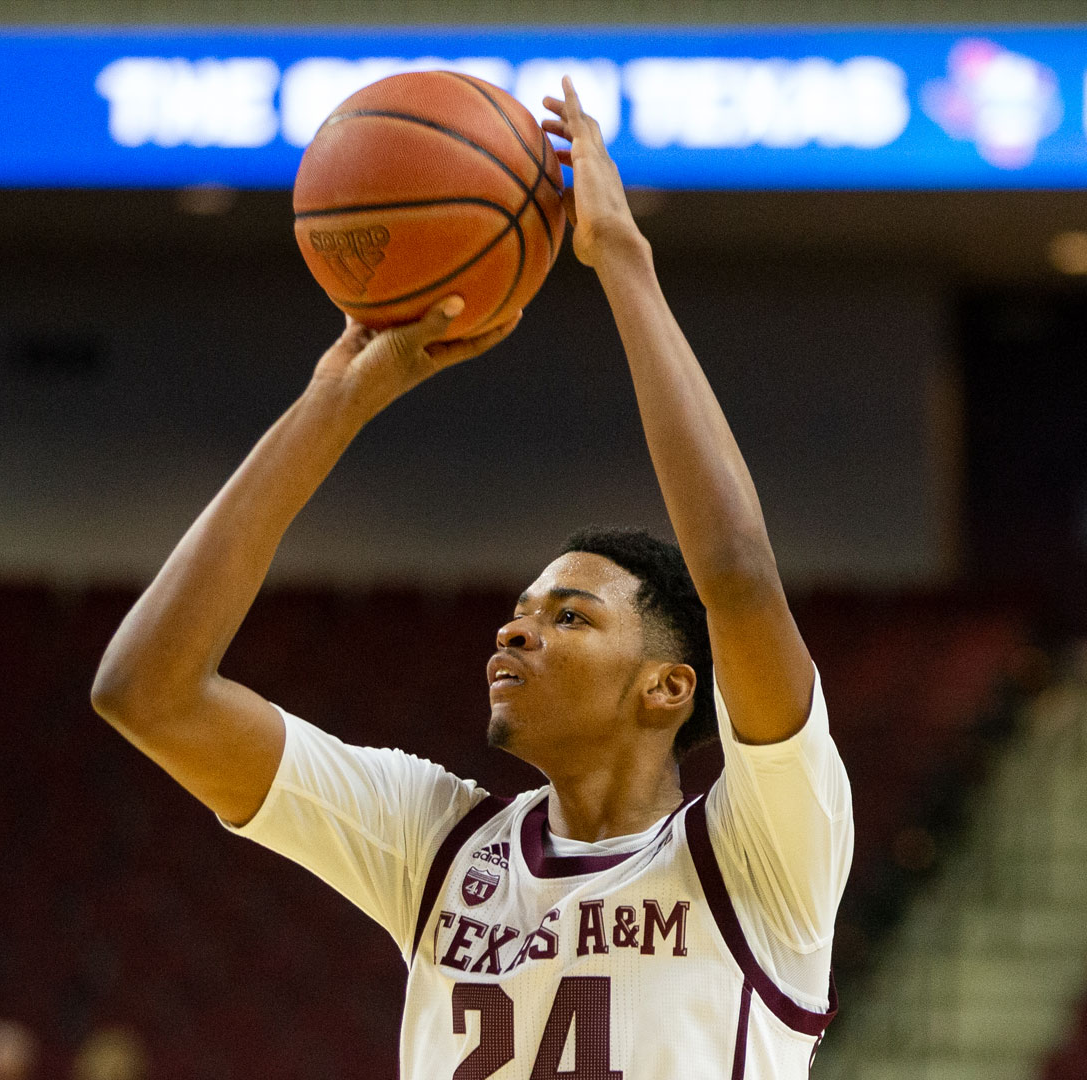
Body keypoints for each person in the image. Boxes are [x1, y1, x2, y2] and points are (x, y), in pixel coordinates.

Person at [91, 78, 851, 1078]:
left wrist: (623, 261)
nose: (513, 633)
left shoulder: (761, 855)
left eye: (569, 616)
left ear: (670, 686)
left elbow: (739, 578)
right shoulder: (436, 845)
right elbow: (147, 693)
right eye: (519, 613)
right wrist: (332, 408)